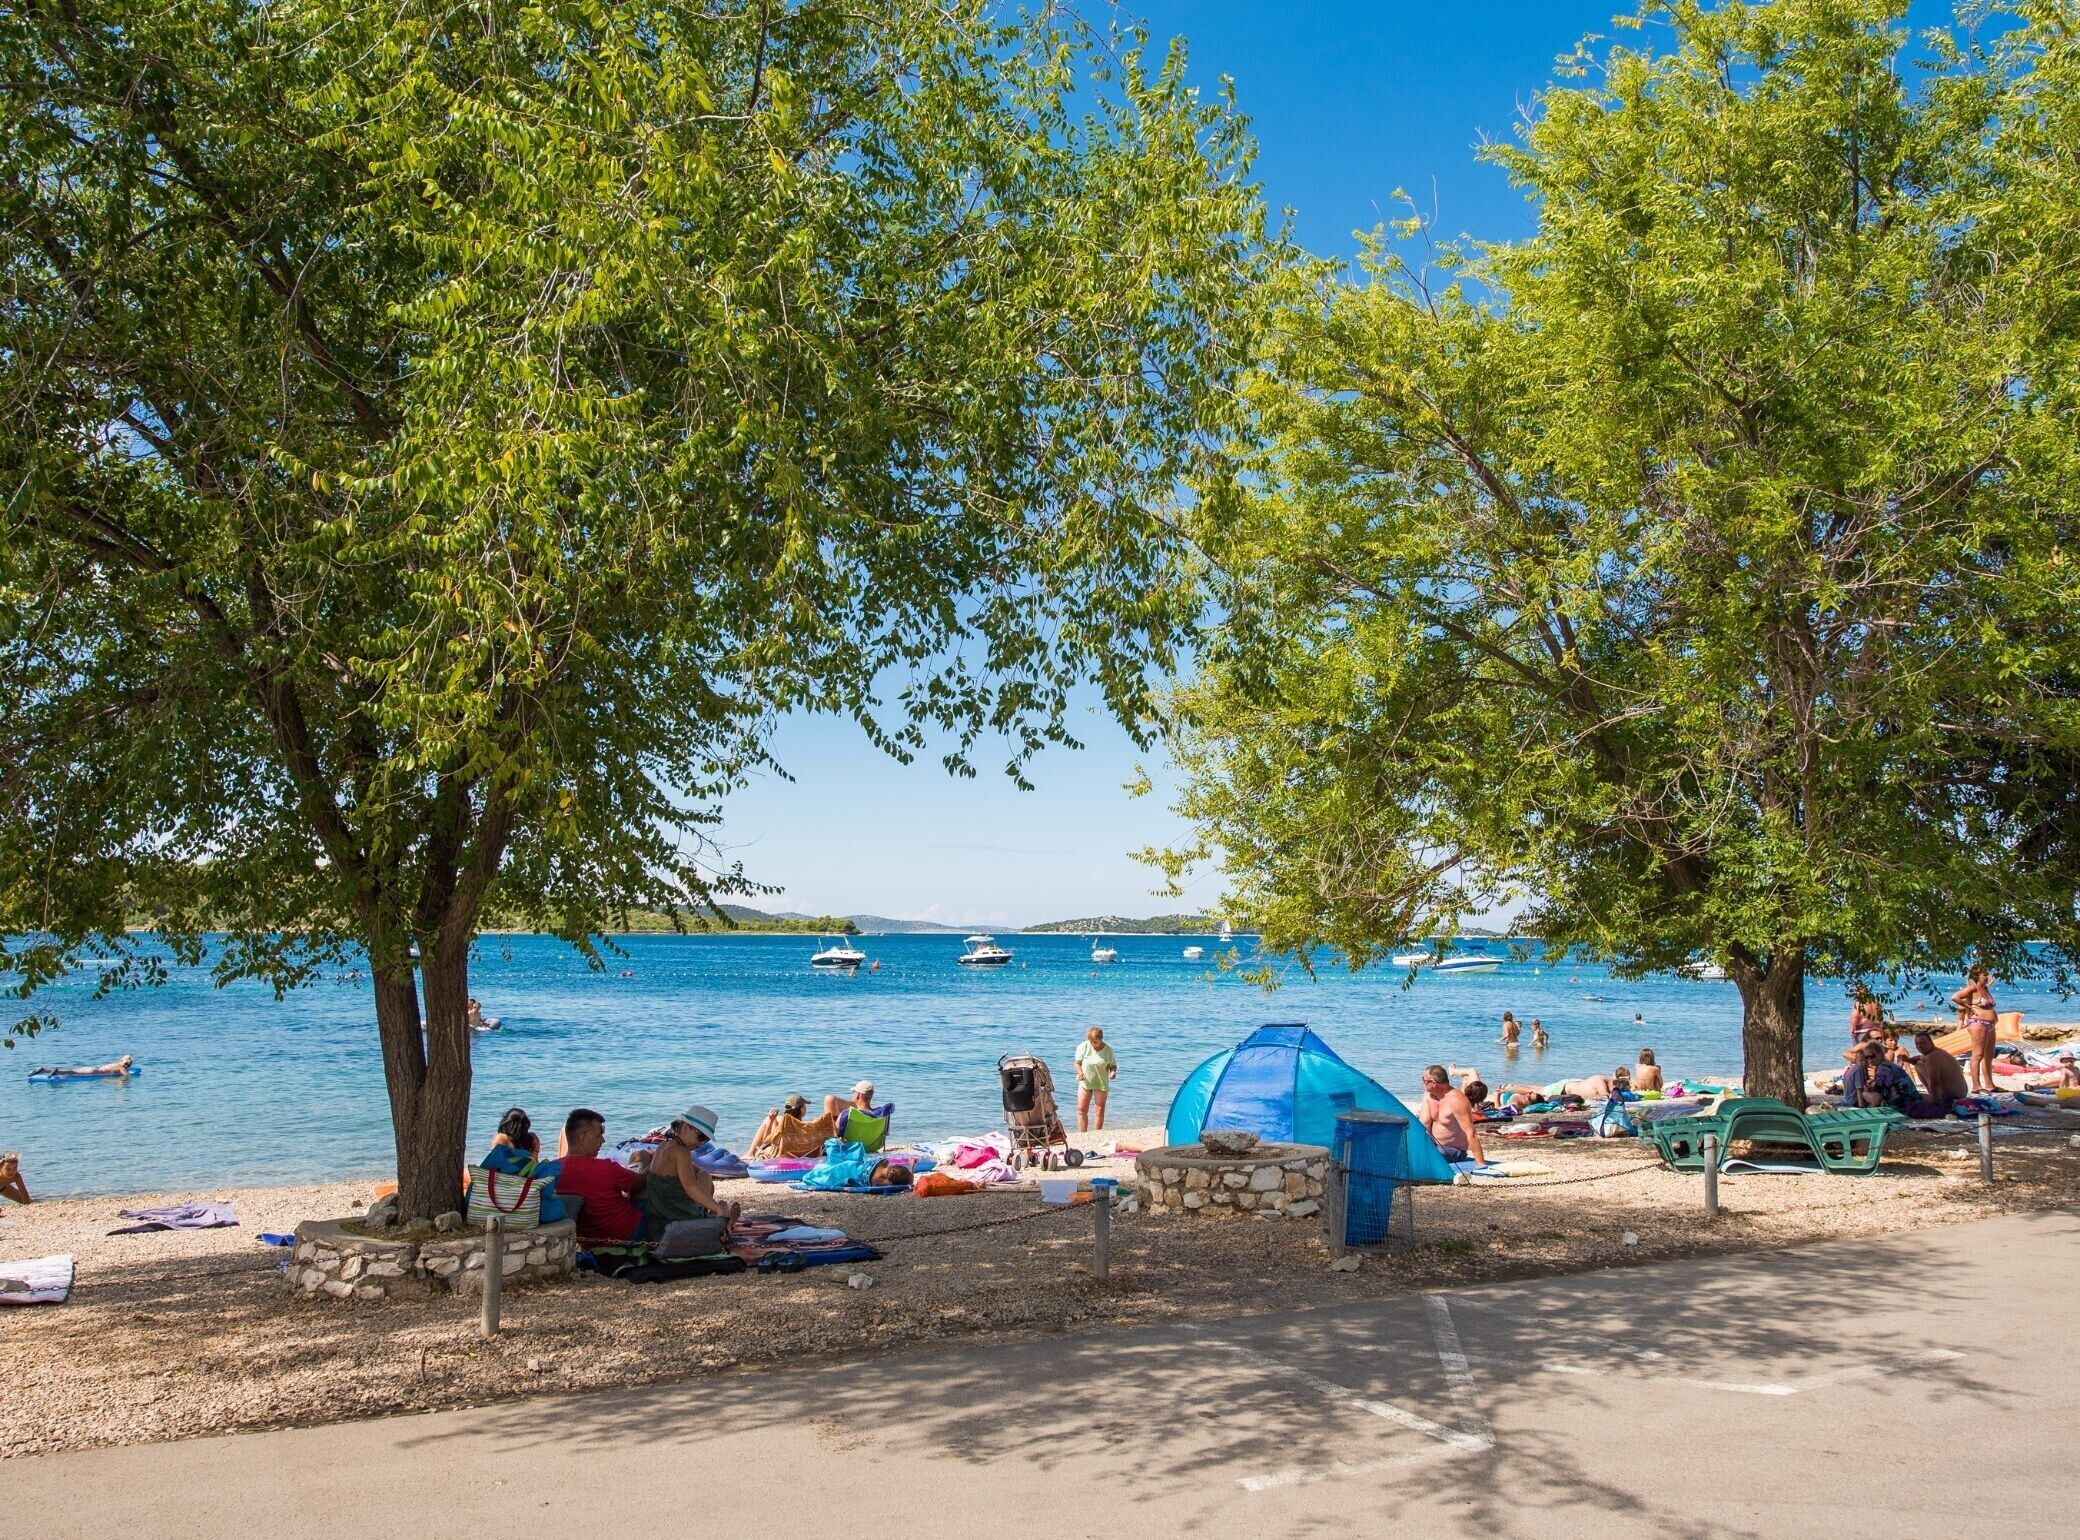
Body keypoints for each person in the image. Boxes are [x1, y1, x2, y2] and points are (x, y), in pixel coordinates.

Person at [553, 1108, 648, 1244]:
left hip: (588, 1242)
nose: (603, 1140)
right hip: (629, 1234)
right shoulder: (605, 1168)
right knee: (649, 1169)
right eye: (599, 1135)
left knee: (639, 1157)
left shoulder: (552, 1169)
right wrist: (657, 1161)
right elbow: (641, 1182)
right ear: (583, 1138)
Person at [644, 1105, 739, 1233]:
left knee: (704, 1175)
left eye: (707, 1140)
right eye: (701, 1137)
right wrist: (718, 1210)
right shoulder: (681, 1152)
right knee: (722, 1205)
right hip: (679, 1223)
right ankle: (727, 1224)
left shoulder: (663, 1146)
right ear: (686, 1127)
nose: (702, 1143)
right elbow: (690, 1187)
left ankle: (715, 1218)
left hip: (657, 1225)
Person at [478, 1107, 565, 1223]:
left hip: (506, 1182)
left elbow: (495, 1162)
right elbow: (533, 1167)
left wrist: (535, 1150)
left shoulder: (502, 1138)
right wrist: (535, 1150)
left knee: (465, 1174)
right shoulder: (528, 1139)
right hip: (522, 1181)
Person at [1416, 1064, 1483, 1163]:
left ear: (1434, 1083)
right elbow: (1424, 1125)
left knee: (1423, 1156)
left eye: (1424, 1080)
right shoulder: (1428, 1096)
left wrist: (1480, 1163)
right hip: (1433, 1147)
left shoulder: (1457, 1100)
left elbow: (1470, 1132)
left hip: (1453, 1151)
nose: (1422, 1082)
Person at [1951, 966, 1999, 1094]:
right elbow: (1955, 997)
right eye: (1984, 974)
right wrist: (1969, 1008)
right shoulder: (1973, 988)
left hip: (1990, 1025)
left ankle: (1989, 1084)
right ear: (1978, 976)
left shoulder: (1985, 989)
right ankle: (1976, 1086)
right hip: (1978, 1023)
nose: (1986, 976)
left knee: (1988, 1056)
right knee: (1977, 1055)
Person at [749, 1094, 843, 1159]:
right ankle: (749, 1153)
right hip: (807, 1154)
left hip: (788, 1155)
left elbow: (766, 1141)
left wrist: (771, 1120)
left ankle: (750, 1153)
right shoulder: (807, 1128)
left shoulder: (785, 1125)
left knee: (768, 1122)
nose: (806, 1108)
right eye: (805, 1106)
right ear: (801, 1109)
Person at [802, 1141, 916, 1191]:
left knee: (827, 1170)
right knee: (823, 1177)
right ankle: (813, 1174)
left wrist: (910, 1165)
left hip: (850, 1166)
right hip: (849, 1173)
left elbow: (907, 1179)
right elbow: (909, 1182)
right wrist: (911, 1169)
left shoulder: (883, 1163)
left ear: (894, 1166)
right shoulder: (882, 1182)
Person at [1905, 1032, 1968, 1118]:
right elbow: (1920, 1057)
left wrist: (1935, 1103)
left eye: (1923, 1043)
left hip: (1952, 1097)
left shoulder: (1932, 1057)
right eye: (1917, 1044)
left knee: (1912, 1097)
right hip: (1962, 1093)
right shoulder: (1937, 1052)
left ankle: (1934, 1098)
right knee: (1918, 1064)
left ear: (1931, 1043)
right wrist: (1908, 1060)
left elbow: (1934, 1083)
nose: (1919, 1046)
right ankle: (1933, 1097)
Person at [1841, 1042, 1915, 1115]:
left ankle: (1869, 1113)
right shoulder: (1888, 1064)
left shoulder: (1882, 1069)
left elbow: (1878, 1093)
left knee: (1868, 1095)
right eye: (1866, 1057)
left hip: (1900, 1104)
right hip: (1909, 1099)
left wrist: (1868, 1090)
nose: (1868, 1060)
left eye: (1871, 1056)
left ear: (1880, 1055)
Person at [1074, 1026, 1118, 1132]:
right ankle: (1082, 1134)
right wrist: (1080, 1073)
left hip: (1101, 1082)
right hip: (1085, 1082)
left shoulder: (1108, 1050)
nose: (1093, 1044)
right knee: (1082, 1109)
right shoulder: (1083, 1047)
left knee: (1099, 1109)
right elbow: (1077, 1063)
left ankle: (1097, 1133)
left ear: (1101, 1039)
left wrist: (1112, 1072)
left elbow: (1113, 1065)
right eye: (1091, 1041)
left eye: (1096, 1041)